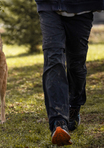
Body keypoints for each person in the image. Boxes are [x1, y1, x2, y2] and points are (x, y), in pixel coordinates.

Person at [34, 0, 104, 146]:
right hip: (49, 6)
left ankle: (74, 106)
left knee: (76, 66)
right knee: (54, 61)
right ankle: (58, 122)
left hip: (82, 9)